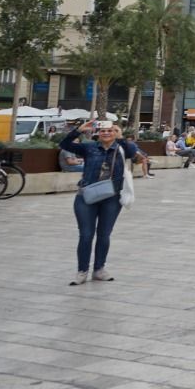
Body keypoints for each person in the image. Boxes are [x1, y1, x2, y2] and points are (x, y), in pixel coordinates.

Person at [60, 120, 145, 286]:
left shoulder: (121, 148)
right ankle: (82, 271)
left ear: (115, 133)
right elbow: (64, 144)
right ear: (98, 133)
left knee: (104, 234)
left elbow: (133, 153)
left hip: (111, 197)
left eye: (110, 130)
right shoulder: (89, 147)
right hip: (86, 196)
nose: (106, 133)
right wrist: (78, 131)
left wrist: (121, 138)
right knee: (86, 235)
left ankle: (99, 269)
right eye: (103, 131)